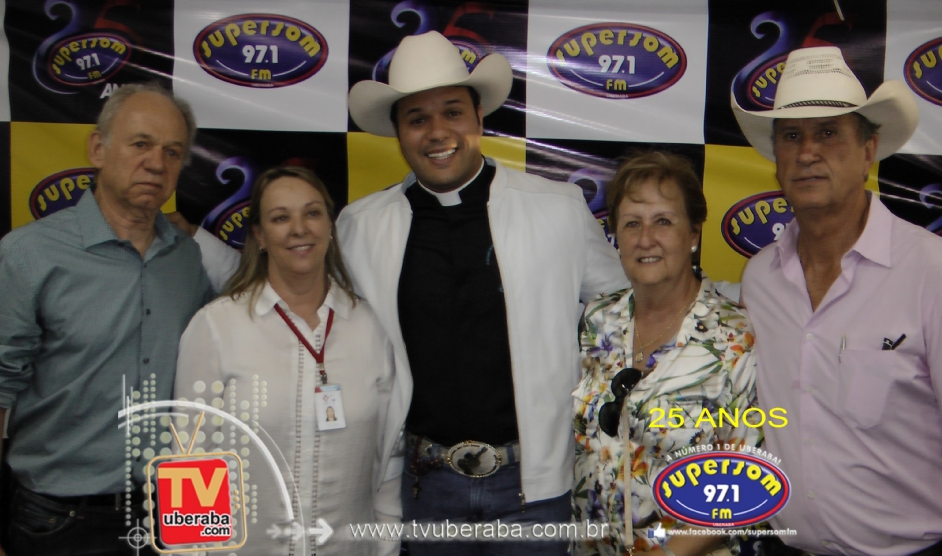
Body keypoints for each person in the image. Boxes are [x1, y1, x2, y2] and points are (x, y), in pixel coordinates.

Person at [337, 31, 629, 555]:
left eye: (452, 112)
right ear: (399, 133)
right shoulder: (360, 227)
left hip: (535, 487)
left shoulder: (556, 208)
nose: (437, 132)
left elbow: (628, 308)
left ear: (478, 117)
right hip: (425, 488)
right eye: (417, 119)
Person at [0, 83, 212, 556]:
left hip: (174, 514)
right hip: (61, 523)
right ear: (98, 149)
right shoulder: (30, 254)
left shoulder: (187, 260)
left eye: (172, 151)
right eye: (140, 143)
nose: (156, 163)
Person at [732, 46, 942, 555]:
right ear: (776, 159)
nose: (807, 152)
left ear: (869, 150)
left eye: (828, 133)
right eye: (791, 136)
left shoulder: (929, 270)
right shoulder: (759, 279)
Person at [174, 166, 399, 556]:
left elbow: (388, 459)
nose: (299, 229)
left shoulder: (369, 327)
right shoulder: (217, 326)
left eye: (312, 213)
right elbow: (190, 464)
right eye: (280, 218)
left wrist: (386, 545)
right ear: (260, 236)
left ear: (330, 225)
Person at [572, 152, 761, 556]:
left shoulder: (735, 338)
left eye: (663, 221)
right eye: (632, 223)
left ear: (693, 233)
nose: (645, 239)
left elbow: (746, 486)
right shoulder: (598, 319)